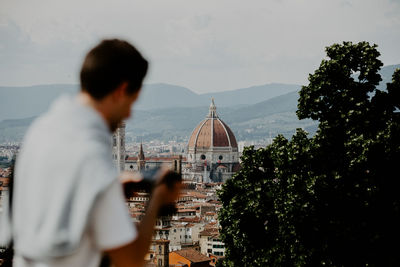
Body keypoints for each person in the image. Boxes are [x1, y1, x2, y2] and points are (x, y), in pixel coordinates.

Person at [0, 39, 181, 267]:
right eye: (131, 103)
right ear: (121, 90)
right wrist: (157, 201)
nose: (129, 114)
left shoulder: (40, 131)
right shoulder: (91, 156)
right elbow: (131, 259)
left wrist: (110, 190)